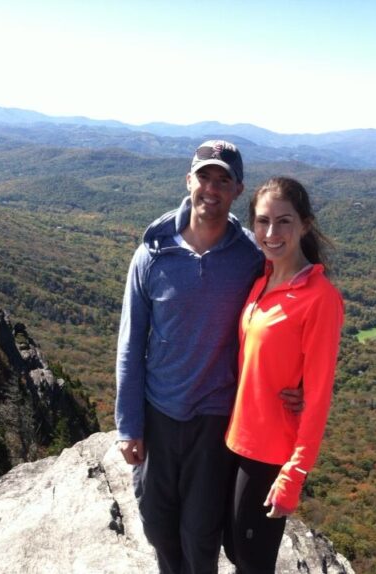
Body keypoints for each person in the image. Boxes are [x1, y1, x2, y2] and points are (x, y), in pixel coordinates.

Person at [115, 141, 303, 574]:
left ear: (238, 189)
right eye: (204, 177)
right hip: (158, 414)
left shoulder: (252, 257)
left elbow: (289, 319)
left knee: (201, 535)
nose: (211, 189)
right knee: (158, 526)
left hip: (218, 420)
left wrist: (301, 385)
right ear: (189, 181)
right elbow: (130, 344)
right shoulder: (152, 254)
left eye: (223, 180)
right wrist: (129, 425)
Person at [224, 177, 344, 574]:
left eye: (284, 221)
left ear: (305, 225)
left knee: (251, 561)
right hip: (235, 440)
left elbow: (320, 394)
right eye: (263, 222)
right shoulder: (261, 280)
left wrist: (293, 475)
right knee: (232, 545)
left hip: (270, 451)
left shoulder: (320, 298)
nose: (271, 233)